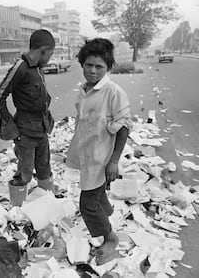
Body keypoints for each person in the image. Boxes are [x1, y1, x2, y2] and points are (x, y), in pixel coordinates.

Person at [66, 38, 131, 265]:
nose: (92, 71)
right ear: (82, 64)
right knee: (97, 192)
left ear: (108, 68)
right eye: (88, 65)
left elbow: (123, 128)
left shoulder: (113, 92)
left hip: (102, 158)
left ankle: (110, 237)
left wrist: (114, 161)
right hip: (87, 155)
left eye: (99, 67)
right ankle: (109, 213)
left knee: (87, 204)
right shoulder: (84, 91)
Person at [0, 29, 56, 191]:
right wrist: (9, 123)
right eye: (50, 54)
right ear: (43, 50)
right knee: (24, 173)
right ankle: (18, 211)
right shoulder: (20, 67)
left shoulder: (38, 68)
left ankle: (47, 203)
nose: (49, 59)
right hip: (25, 131)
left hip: (41, 128)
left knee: (44, 169)